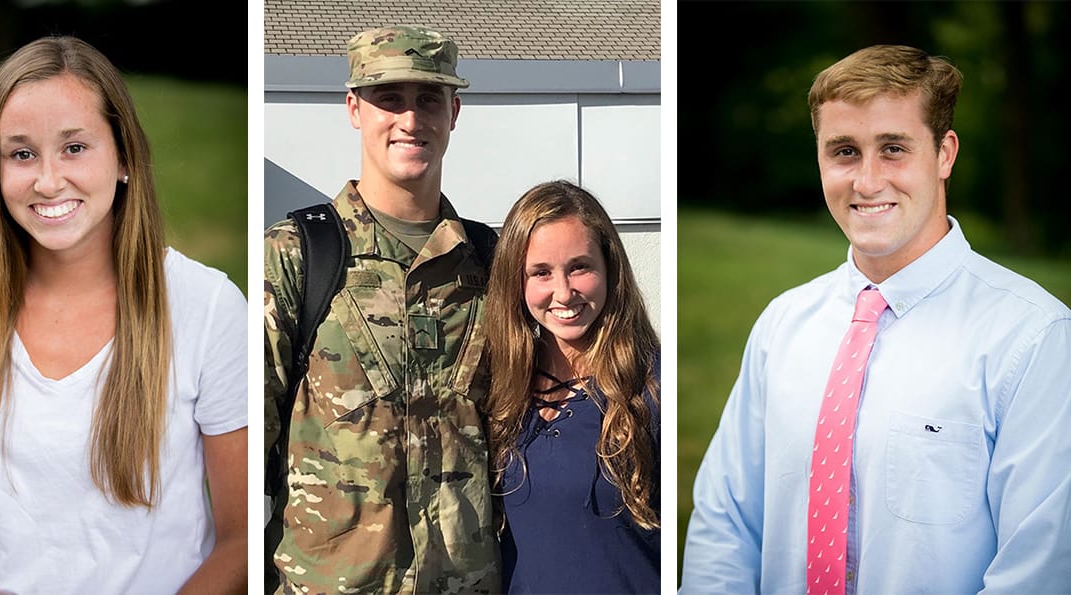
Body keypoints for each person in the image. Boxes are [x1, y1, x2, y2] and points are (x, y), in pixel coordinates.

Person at [681, 45, 1071, 593]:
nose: (866, 181)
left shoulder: (1033, 339)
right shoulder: (781, 326)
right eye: (844, 151)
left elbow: (1039, 568)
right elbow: (725, 526)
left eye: (893, 148)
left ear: (944, 154)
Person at [0, 36, 247, 594]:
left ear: (123, 157)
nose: (48, 181)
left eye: (75, 147)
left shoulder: (208, 306)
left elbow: (240, 541)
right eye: (22, 154)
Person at [263, 25, 499, 594]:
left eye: (428, 100)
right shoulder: (300, 253)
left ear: (454, 112)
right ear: (353, 108)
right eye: (388, 99)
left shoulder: (492, 260)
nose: (410, 120)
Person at [484, 181, 661, 594]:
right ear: (517, 281)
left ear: (609, 269)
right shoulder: (501, 388)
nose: (563, 292)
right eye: (541, 273)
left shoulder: (651, 386)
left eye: (580, 266)